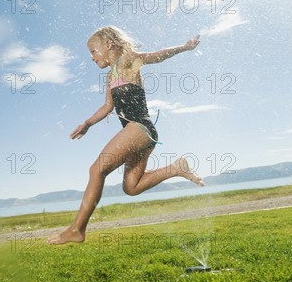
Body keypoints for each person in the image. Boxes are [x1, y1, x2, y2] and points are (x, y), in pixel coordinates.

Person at [47, 25, 204, 245]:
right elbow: (106, 107)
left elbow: (156, 56)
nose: (92, 58)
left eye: (93, 51)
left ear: (109, 44)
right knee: (131, 187)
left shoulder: (128, 60)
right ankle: (176, 168)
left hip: (139, 127)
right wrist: (87, 123)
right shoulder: (110, 76)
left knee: (96, 169)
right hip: (141, 133)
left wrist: (184, 47)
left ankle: (77, 229)